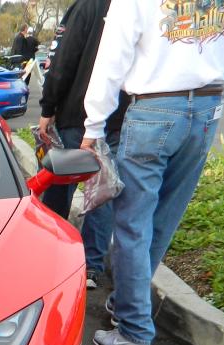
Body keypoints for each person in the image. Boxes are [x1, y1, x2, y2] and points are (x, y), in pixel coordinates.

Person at [81, 0, 224, 345]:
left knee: (133, 222)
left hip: (154, 105)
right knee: (163, 218)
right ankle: (127, 302)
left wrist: (94, 125)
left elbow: (114, 53)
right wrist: (218, 92)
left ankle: (133, 330)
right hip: (207, 107)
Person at [38, 0, 130, 289]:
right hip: (118, 116)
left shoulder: (86, 6)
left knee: (59, 187)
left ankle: (49, 254)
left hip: (77, 114)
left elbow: (63, 60)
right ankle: (91, 266)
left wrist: (48, 106)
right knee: (102, 193)